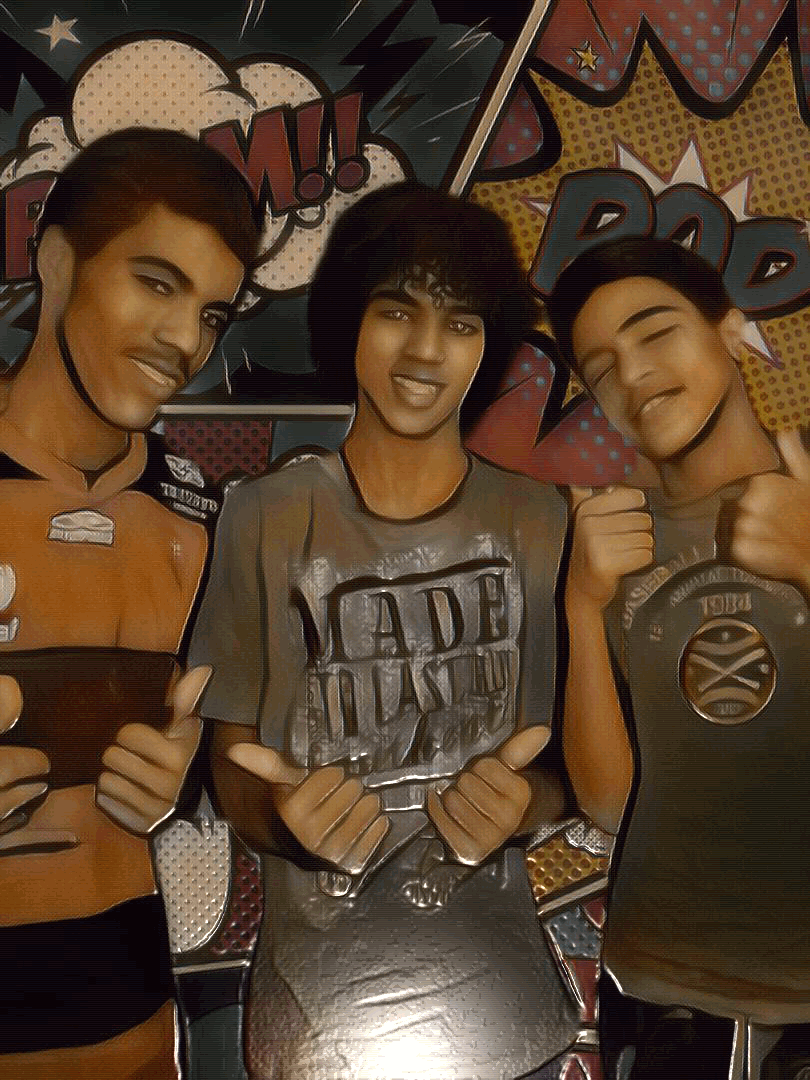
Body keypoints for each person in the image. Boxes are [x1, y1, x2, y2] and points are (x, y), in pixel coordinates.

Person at [189, 183, 580, 1080]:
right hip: (317, 1017)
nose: (426, 351)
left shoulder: (540, 520)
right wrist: (284, 824)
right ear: (349, 324)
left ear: (488, 347)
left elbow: (569, 767)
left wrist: (529, 806)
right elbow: (231, 754)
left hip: (503, 1007)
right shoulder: (264, 515)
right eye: (397, 311)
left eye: (461, 324)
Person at [0, 128, 261, 1079]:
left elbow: (211, 770)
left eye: (212, 313)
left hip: (135, 1035)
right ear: (57, 260)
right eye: (156, 283)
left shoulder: (203, 518)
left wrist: (184, 783)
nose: (186, 340)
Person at [547, 236, 810, 1080]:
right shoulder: (608, 536)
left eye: (656, 332)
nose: (635, 374)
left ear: (731, 330)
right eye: (601, 368)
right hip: (664, 990)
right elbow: (608, 801)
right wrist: (581, 606)